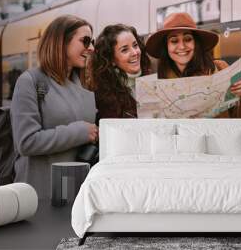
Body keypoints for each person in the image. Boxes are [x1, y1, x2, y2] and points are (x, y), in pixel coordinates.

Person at [10, 15, 98, 199]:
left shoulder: (83, 84)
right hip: (40, 191)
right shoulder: (30, 81)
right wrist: (80, 132)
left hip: (76, 189)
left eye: (92, 42)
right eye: (85, 41)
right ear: (61, 42)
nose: (91, 48)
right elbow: (26, 142)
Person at [146, 12, 241, 120]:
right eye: (174, 41)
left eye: (188, 39)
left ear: (196, 43)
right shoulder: (156, 83)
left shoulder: (221, 69)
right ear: (166, 47)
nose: (182, 46)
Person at [91, 24, 152, 119]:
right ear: (111, 59)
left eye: (135, 45)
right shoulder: (103, 94)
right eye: (124, 50)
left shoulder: (153, 80)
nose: (135, 53)